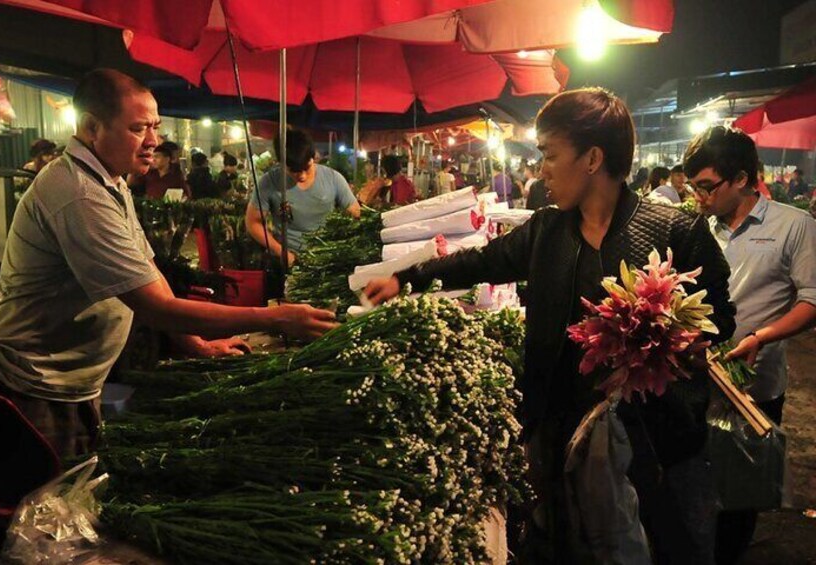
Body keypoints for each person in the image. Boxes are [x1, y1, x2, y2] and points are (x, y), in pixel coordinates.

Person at [365, 87, 735, 565]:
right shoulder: (547, 230)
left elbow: (719, 317)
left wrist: (666, 332)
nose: (541, 170)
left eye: (550, 155)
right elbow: (481, 261)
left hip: (655, 448)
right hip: (561, 438)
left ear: (592, 158)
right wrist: (406, 277)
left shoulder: (674, 231)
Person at [0, 69, 336, 459]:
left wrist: (197, 344)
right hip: (30, 388)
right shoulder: (78, 196)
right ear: (92, 127)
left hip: (69, 383)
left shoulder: (110, 181)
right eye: (138, 128)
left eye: (155, 127)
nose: (154, 142)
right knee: (37, 509)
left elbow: (151, 275)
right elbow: (155, 306)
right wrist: (275, 318)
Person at [683, 126, 816, 565]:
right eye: (694, 188)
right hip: (698, 380)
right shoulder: (698, 228)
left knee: (739, 495)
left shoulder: (793, 225)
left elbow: (812, 300)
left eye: (707, 187)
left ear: (740, 179)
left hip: (752, 389)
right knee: (694, 484)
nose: (700, 198)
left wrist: (762, 337)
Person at [246, 127, 360, 266]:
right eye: (294, 171)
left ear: (314, 157)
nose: (302, 176)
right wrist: (280, 251)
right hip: (288, 260)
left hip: (327, 258)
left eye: (307, 168)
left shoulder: (333, 178)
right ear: (281, 163)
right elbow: (253, 222)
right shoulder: (269, 182)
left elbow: (355, 213)